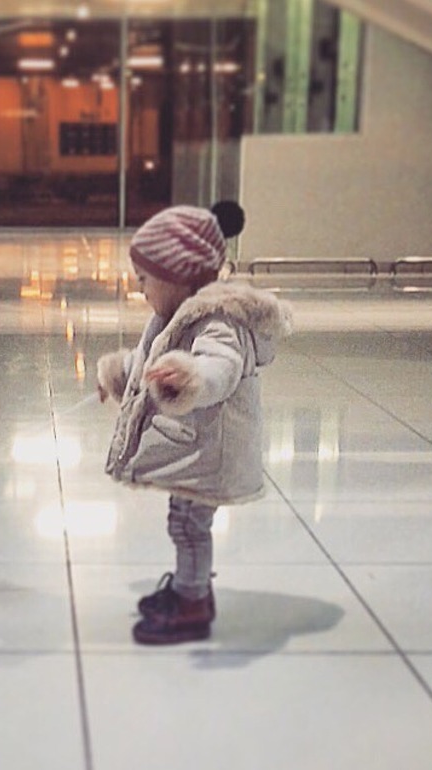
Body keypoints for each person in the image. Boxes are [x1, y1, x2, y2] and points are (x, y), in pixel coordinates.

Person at [96, 201, 292, 645]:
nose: (140, 289)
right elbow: (146, 361)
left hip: (211, 451)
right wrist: (118, 374)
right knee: (184, 521)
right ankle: (190, 588)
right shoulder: (172, 316)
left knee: (188, 525)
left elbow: (219, 369)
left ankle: (192, 602)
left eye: (145, 280)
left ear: (178, 276)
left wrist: (189, 378)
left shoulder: (220, 321)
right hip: (196, 447)